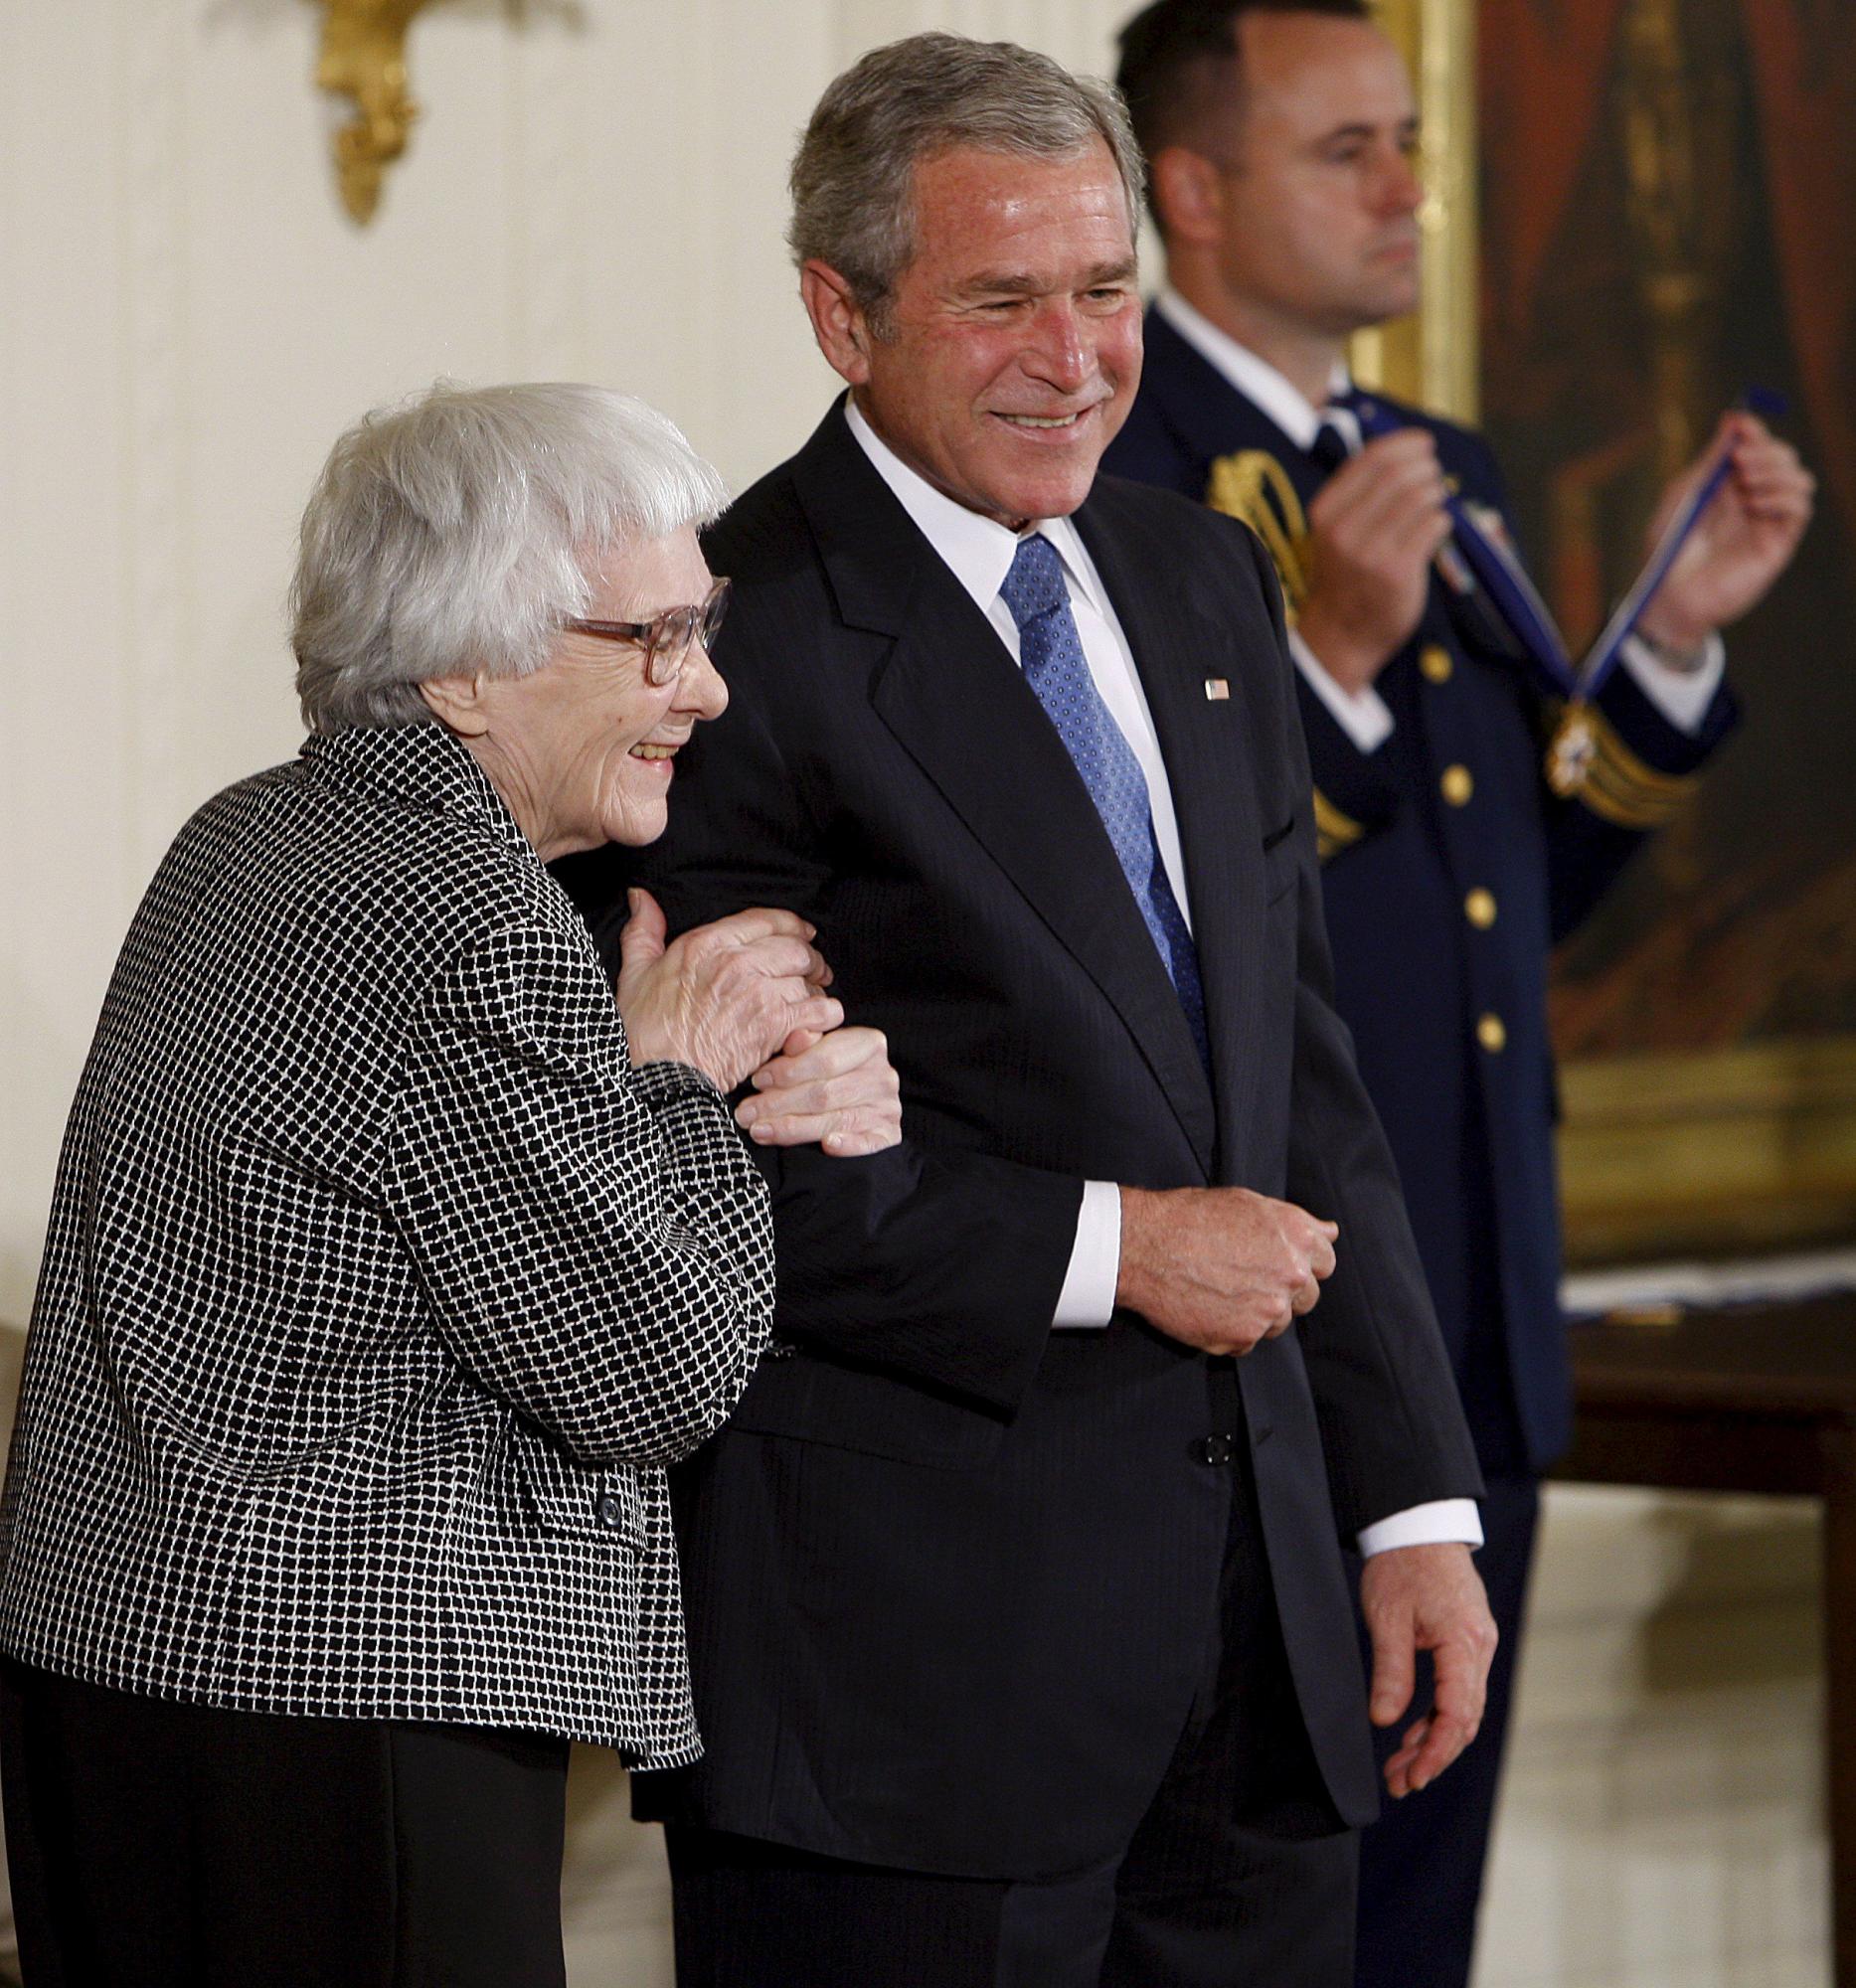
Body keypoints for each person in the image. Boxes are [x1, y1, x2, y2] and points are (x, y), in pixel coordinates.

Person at [557, 35, 1495, 1987]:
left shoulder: (1197, 577)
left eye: (1102, 288)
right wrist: (1120, 1247)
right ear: (841, 311)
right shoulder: (721, 639)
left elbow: (1301, 1081)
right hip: (912, 1708)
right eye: (999, 300)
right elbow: (704, 1183)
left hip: (1262, 1684)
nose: (1074, 355)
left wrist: (1411, 1496)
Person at [0, 381, 902, 1988]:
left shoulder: (243, 837)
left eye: (706, 629)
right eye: (656, 640)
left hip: (111, 1690)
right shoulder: (472, 918)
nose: (702, 689)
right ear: (469, 667)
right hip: (351, 1727)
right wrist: (683, 1077)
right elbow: (655, 1365)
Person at [1102, 6, 1816, 1985]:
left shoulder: (1434, 461)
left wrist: (1664, 639)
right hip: (1287, 1329)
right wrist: (1322, 657)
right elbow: (1154, 915)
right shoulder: (1127, 473)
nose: (1411, 188)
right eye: (1348, 151)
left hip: (1470, 1305)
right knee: (1271, 1920)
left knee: (1423, 1928)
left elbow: (1506, 896)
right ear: (1194, 188)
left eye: (1409, 141)